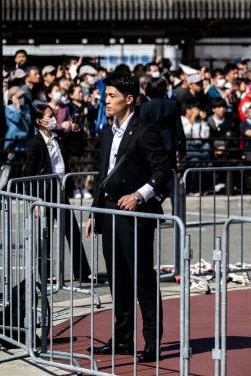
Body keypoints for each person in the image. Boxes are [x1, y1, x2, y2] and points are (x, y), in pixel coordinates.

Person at [85, 72, 171, 363]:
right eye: (105, 95)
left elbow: (163, 170)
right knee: (118, 278)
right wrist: (95, 211)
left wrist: (139, 196)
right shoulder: (108, 131)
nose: (105, 100)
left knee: (142, 277)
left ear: (129, 99)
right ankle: (122, 339)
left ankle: (151, 342)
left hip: (136, 214)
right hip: (109, 212)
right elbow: (103, 174)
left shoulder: (146, 130)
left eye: (111, 96)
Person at [24, 104, 97, 283]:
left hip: (61, 190)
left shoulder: (59, 137)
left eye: (53, 115)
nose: (53, 119)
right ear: (39, 121)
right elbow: (28, 174)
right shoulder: (34, 144)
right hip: (44, 193)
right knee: (45, 233)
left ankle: (82, 272)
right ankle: (46, 273)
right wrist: (33, 201)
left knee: (72, 231)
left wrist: (75, 130)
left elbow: (77, 151)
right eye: (49, 116)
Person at [140, 77, 187, 206]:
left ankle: (152, 212)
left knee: (150, 180)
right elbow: (179, 129)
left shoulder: (145, 107)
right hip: (169, 147)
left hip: (150, 148)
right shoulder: (172, 105)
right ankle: (176, 211)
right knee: (170, 179)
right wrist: (182, 149)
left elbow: (142, 130)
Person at [5, 86, 31, 150]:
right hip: (12, 141)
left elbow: (30, 121)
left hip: (25, 138)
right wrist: (18, 108)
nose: (22, 98)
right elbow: (16, 119)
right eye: (19, 97)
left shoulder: (26, 107)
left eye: (22, 96)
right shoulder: (9, 108)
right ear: (12, 98)